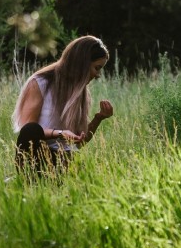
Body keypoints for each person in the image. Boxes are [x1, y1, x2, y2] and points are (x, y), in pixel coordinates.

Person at [12, 35, 114, 175]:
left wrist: (98, 118)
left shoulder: (81, 92)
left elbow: (80, 142)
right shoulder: (40, 83)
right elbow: (28, 131)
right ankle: (31, 178)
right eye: (97, 68)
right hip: (38, 155)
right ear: (82, 64)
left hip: (66, 159)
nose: (98, 75)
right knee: (31, 129)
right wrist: (59, 134)